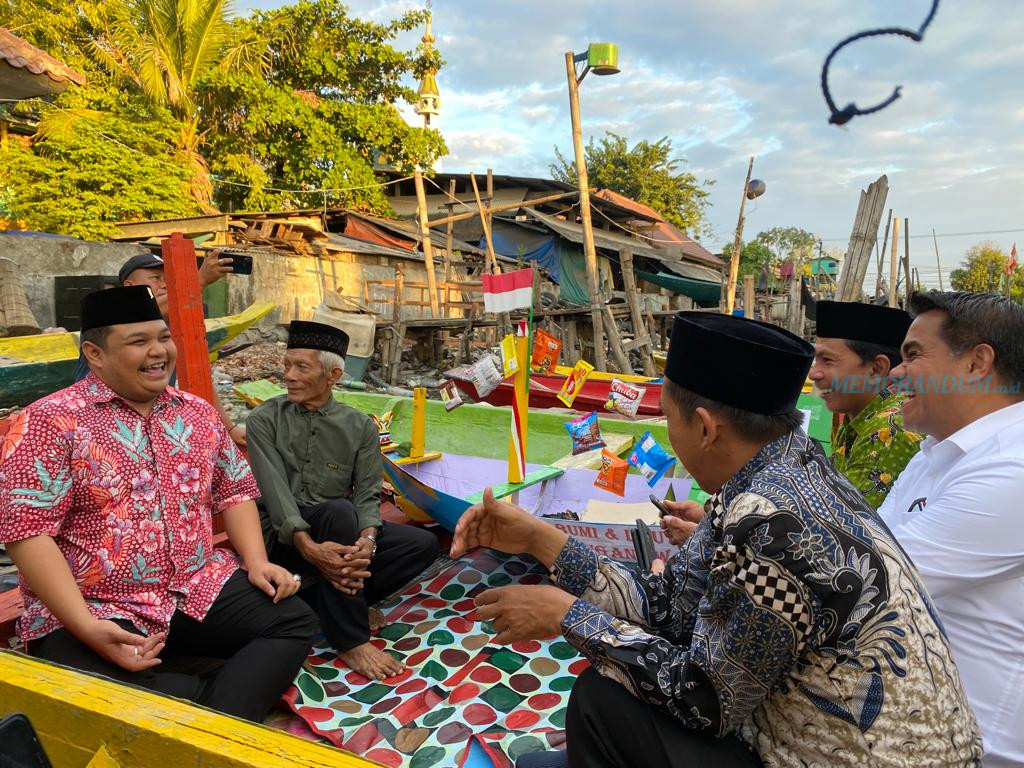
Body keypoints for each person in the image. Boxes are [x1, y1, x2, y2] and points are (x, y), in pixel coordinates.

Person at [454, 311, 982, 768]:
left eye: (668, 421)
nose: (671, 437)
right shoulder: (781, 467)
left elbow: (707, 699)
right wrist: (542, 539)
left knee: (603, 698)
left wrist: (567, 616)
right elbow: (673, 606)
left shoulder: (771, 522)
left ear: (705, 427)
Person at [0, 286, 317, 722]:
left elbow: (235, 490)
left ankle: (204, 715)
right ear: (94, 353)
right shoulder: (47, 422)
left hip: (195, 588)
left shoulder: (196, 412)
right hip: (97, 604)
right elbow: (27, 532)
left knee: (293, 621)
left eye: (163, 337)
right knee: (90, 684)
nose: (158, 352)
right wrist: (87, 627)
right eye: (138, 342)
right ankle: (219, 710)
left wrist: (257, 561)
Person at [877, 291, 1024, 768]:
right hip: (908, 728)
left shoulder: (1013, 467)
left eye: (913, 354)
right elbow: (863, 541)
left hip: (969, 751)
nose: (897, 373)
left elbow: (866, 579)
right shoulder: (937, 454)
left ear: (977, 363)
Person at [246, 320, 439, 681]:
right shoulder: (263, 420)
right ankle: (349, 637)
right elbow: (275, 496)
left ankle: (337, 599)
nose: (288, 375)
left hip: (340, 538)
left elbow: (368, 495)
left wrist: (367, 542)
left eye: (301, 367)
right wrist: (307, 547)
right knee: (338, 511)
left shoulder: (360, 427)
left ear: (333, 374)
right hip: (281, 538)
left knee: (422, 544)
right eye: (287, 365)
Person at [72, 250, 246, 447]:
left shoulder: (171, 323)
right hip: (100, 426)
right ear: (129, 286)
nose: (165, 284)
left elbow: (199, 375)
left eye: (167, 278)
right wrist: (198, 280)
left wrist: (229, 428)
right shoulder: (110, 316)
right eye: (155, 278)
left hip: (149, 425)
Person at [808, 300, 921, 508]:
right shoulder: (857, 414)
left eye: (828, 360)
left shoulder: (889, 429)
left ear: (877, 369)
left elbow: (842, 522)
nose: (814, 373)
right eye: (816, 360)